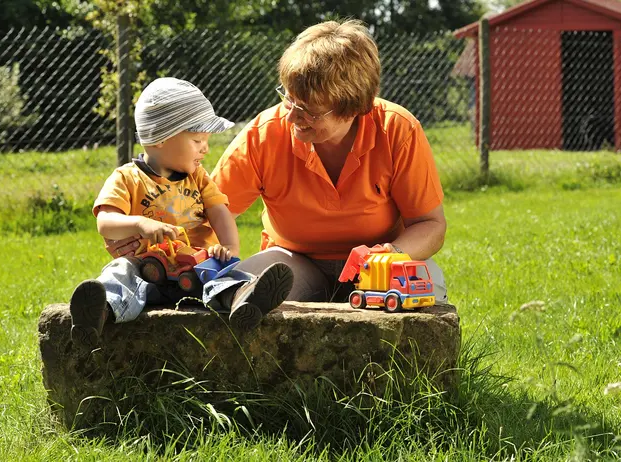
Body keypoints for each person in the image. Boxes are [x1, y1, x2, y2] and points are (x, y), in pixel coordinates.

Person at [109, 19, 448, 306]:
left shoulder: (397, 130)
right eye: (288, 97)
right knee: (245, 286)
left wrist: (390, 252)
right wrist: (149, 242)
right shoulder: (264, 134)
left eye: (310, 110)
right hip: (292, 260)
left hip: (377, 265)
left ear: (354, 108)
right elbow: (203, 214)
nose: (292, 115)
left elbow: (430, 224)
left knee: (426, 285)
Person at [69, 77, 293, 350]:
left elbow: (219, 212)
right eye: (197, 139)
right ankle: (98, 313)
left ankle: (244, 300)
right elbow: (105, 223)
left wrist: (229, 250)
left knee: (224, 277)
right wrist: (140, 224)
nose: (205, 148)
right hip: (148, 269)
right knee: (120, 271)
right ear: (162, 138)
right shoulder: (126, 178)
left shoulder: (198, 178)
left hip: (198, 265)